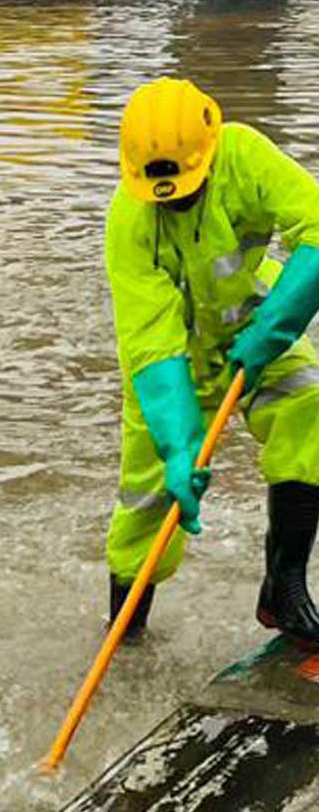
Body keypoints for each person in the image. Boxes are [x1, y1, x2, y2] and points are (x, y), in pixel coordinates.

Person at [105, 77, 319, 644]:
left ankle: (285, 589)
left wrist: (276, 325)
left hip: (255, 323)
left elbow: (318, 227)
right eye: (162, 194)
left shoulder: (245, 155)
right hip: (175, 360)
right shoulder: (128, 224)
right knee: (148, 496)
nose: (174, 199)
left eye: (185, 189)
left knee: (309, 402)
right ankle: (125, 632)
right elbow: (152, 342)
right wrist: (178, 446)